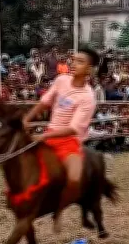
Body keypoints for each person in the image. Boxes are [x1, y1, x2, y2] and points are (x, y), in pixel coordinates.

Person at [23, 47, 99, 233]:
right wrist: (27, 118)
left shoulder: (88, 97)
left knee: (74, 179)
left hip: (69, 142)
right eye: (73, 59)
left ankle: (59, 210)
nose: (73, 63)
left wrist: (44, 135)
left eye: (80, 61)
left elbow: (74, 128)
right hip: (50, 132)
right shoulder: (60, 80)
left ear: (90, 69)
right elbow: (45, 102)